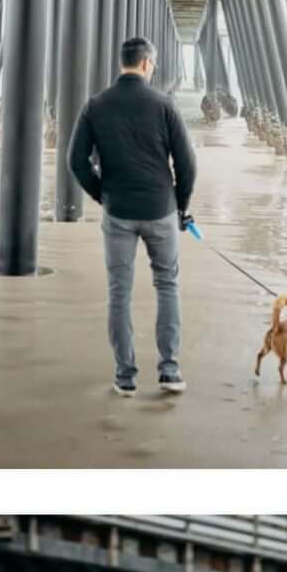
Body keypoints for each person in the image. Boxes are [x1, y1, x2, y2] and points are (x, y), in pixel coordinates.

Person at [65, 35, 199, 397]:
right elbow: (187, 164)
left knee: (118, 294)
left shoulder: (96, 106)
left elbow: (75, 161)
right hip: (161, 211)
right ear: (146, 64)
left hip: (119, 212)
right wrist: (181, 206)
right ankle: (169, 371)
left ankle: (125, 376)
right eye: (152, 65)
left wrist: (102, 194)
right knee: (167, 285)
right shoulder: (164, 105)